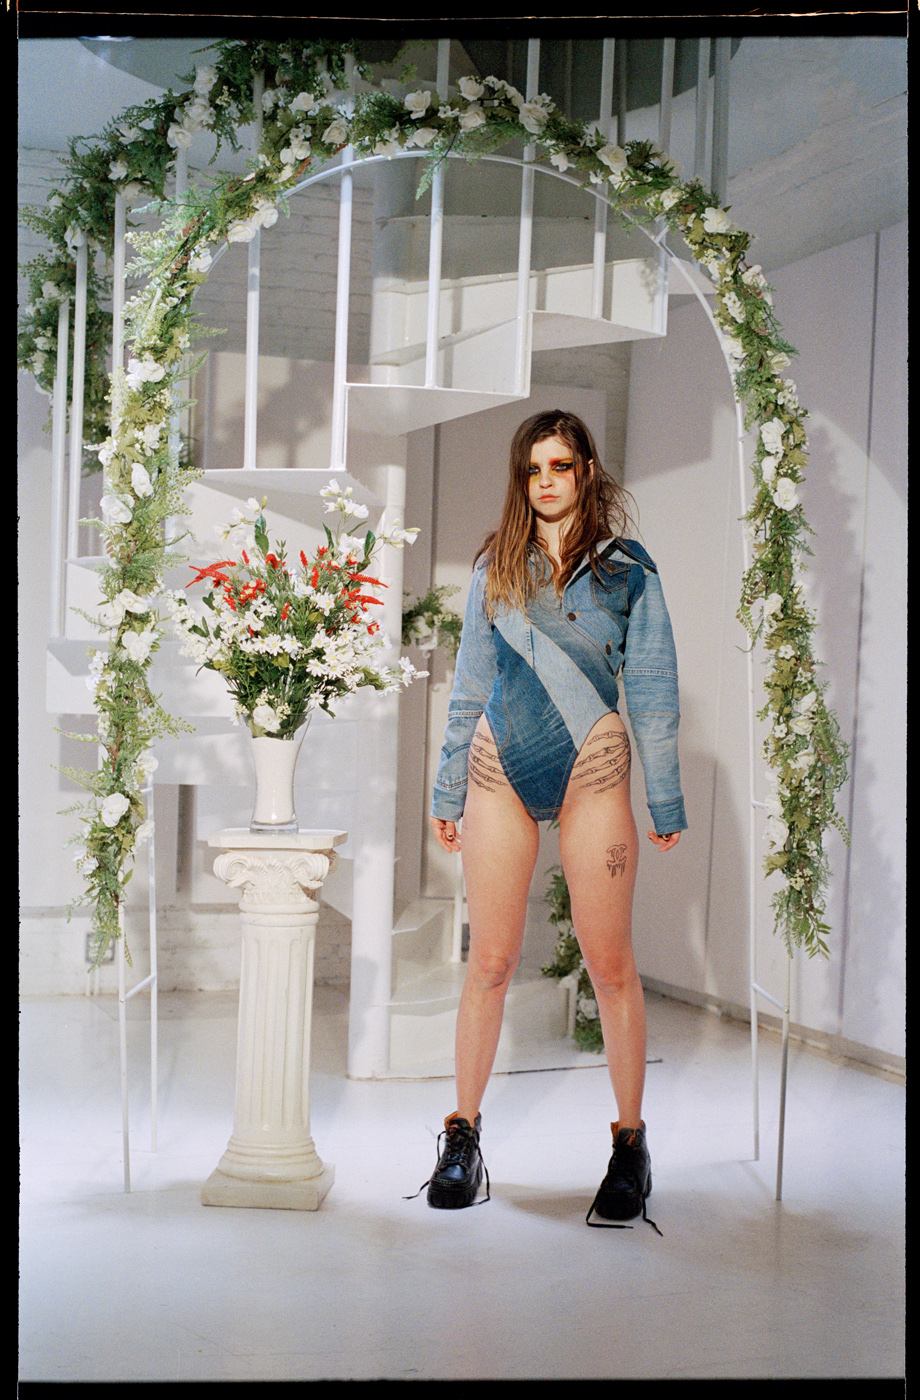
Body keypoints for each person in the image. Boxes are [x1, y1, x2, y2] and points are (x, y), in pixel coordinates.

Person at [422, 409, 687, 1229]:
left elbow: (654, 690)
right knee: (491, 961)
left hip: (593, 774)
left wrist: (665, 798)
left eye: (560, 466)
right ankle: (461, 1139)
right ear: (521, 478)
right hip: (498, 769)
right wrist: (445, 790)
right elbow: (469, 684)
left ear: (586, 472)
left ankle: (630, 1147)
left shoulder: (628, 573)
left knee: (611, 966)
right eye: (533, 468)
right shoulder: (494, 568)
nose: (545, 481)